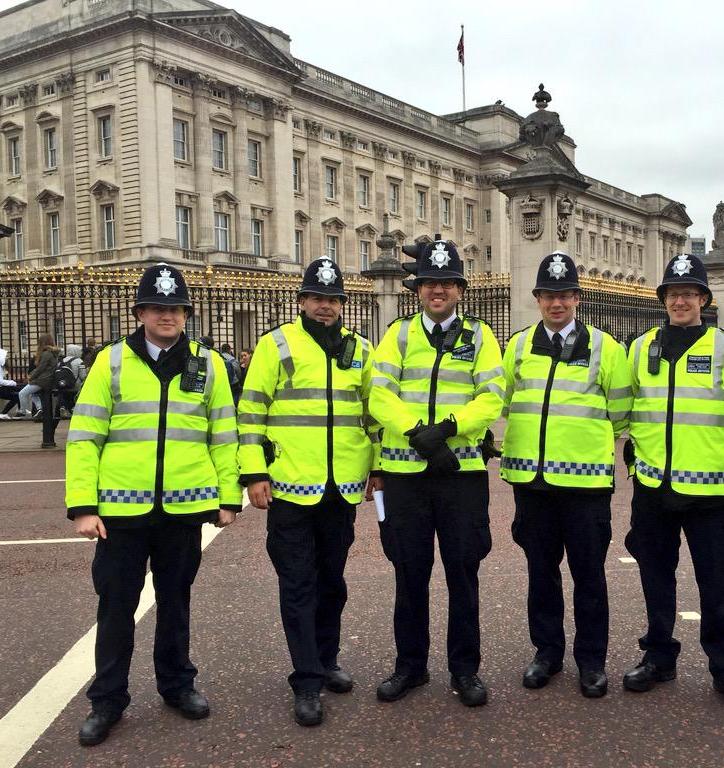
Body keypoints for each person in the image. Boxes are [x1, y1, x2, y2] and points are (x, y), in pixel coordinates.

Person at [66, 263, 240, 747]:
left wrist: (228, 496)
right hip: (121, 510)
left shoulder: (208, 364)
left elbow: (223, 434)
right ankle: (107, 699)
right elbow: (85, 436)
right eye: (158, 307)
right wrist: (83, 505)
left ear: (186, 314)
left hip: (184, 508)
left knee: (176, 602)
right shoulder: (111, 361)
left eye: (176, 308)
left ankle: (177, 685)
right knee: (116, 608)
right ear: (140, 312)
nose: (168, 315)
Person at [237, 258, 376, 727]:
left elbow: (372, 413)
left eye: (333, 299)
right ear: (301, 301)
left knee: (332, 582)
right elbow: (251, 412)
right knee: (298, 583)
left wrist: (377, 467)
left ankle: (326, 659)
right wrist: (254, 473)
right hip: (291, 485)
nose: (325, 306)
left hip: (342, 486)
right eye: (317, 297)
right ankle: (307, 679)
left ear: (342, 304)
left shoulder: (361, 348)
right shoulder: (276, 343)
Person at [369, 238, 504, 708]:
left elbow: (491, 397)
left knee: (463, 572)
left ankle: (465, 668)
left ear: (460, 290)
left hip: (460, 474)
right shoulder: (399, 334)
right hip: (405, 474)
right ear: (418, 289)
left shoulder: (481, 336)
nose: (438, 290)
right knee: (409, 573)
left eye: (447, 283)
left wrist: (447, 429)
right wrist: (417, 433)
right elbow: (379, 394)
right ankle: (410, 665)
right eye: (430, 283)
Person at [622, 253, 724, 713]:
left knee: (716, 582)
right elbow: (628, 407)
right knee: (655, 577)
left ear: (703, 299)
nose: (680, 301)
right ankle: (658, 656)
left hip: (709, 487)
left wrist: (710, 452)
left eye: (689, 294)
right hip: (652, 484)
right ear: (664, 299)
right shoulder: (641, 347)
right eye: (673, 294)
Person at [500, 251, 632, 698]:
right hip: (532, 482)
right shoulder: (518, 346)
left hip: (585, 483)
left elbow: (620, 411)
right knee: (541, 573)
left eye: (565, 295)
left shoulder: (606, 348)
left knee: (589, 575)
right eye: (548, 295)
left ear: (577, 298)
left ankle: (591, 661)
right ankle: (547, 653)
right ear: (537, 298)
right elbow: (507, 402)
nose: (557, 303)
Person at [19, 333, 61, 418]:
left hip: (42, 380)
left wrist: (30, 376)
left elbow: (40, 368)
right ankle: (39, 409)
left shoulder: (46, 354)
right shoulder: (54, 353)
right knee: (33, 394)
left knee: (22, 393)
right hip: (49, 379)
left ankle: (22, 412)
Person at [56, 343, 88, 417]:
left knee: (64, 396)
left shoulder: (61, 361)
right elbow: (83, 376)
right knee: (75, 395)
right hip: (75, 386)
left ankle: (63, 406)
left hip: (63, 385)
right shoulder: (79, 361)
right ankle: (73, 407)